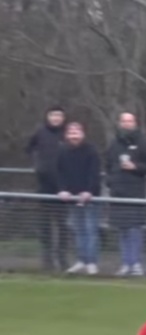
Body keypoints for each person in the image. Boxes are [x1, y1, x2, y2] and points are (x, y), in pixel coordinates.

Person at [106, 112, 146, 277]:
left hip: (135, 192)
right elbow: (108, 165)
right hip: (117, 192)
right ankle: (126, 263)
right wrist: (111, 181)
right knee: (122, 229)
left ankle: (136, 263)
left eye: (130, 121)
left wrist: (135, 167)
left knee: (135, 229)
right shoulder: (114, 144)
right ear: (120, 123)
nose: (127, 124)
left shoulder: (143, 142)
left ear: (135, 123)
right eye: (124, 121)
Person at [56, 122, 102, 275]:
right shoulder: (62, 151)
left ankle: (91, 262)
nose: (74, 134)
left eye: (77, 131)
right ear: (66, 135)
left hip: (90, 198)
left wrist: (89, 191)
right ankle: (81, 260)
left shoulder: (91, 151)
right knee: (78, 230)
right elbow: (59, 173)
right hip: (72, 198)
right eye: (71, 131)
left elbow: (94, 173)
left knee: (91, 230)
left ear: (83, 134)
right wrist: (63, 190)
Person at [26, 106, 68, 272]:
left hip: (64, 185)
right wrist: (38, 164)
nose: (56, 118)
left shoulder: (67, 133)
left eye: (59, 115)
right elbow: (29, 148)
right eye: (53, 115)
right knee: (44, 223)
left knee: (62, 224)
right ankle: (47, 258)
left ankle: (62, 258)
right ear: (48, 117)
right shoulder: (40, 133)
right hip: (44, 184)